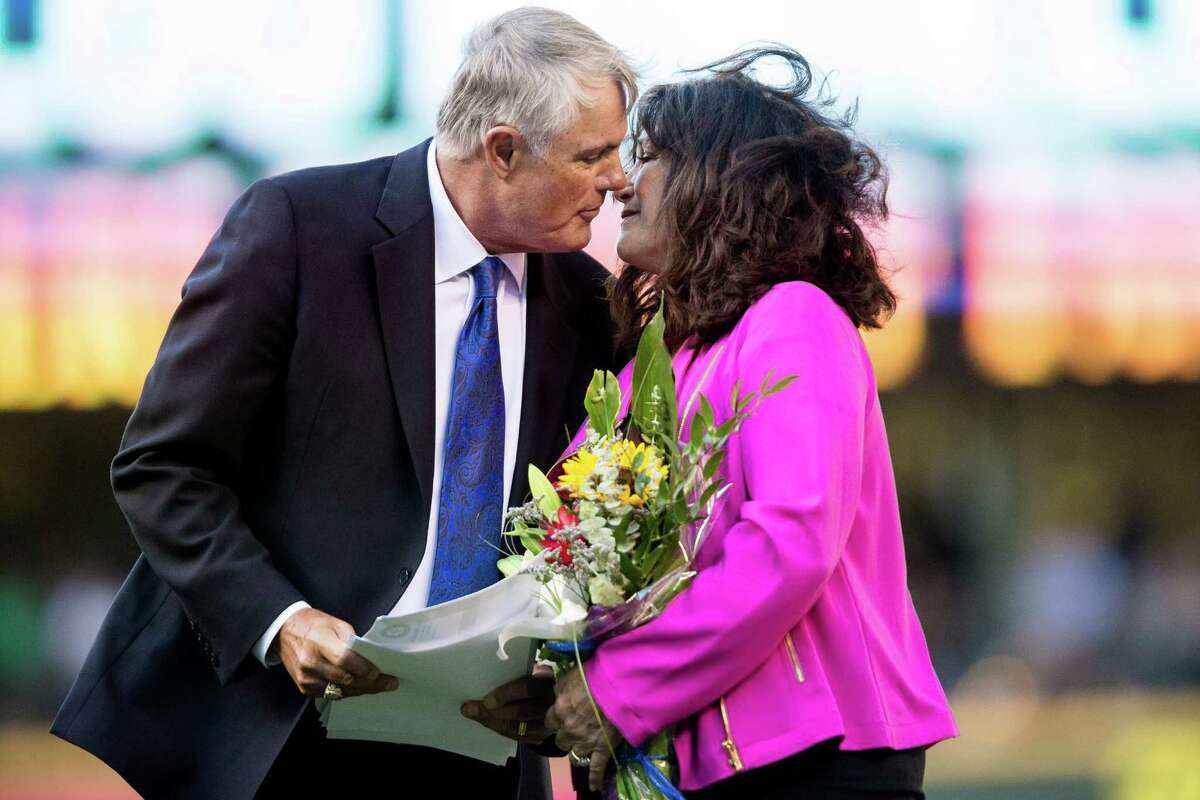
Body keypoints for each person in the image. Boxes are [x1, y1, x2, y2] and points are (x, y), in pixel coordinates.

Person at [50, 8, 635, 799]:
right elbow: (164, 466)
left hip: (484, 746)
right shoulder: (297, 228)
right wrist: (281, 620)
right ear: (503, 149)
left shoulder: (593, 305)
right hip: (277, 732)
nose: (619, 180)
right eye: (593, 154)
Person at [545, 47, 958, 799]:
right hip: (698, 761)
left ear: (720, 182)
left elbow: (788, 543)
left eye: (652, 157)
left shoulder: (793, 317)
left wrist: (618, 689)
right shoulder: (658, 359)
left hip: (819, 762)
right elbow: (563, 541)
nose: (620, 187)